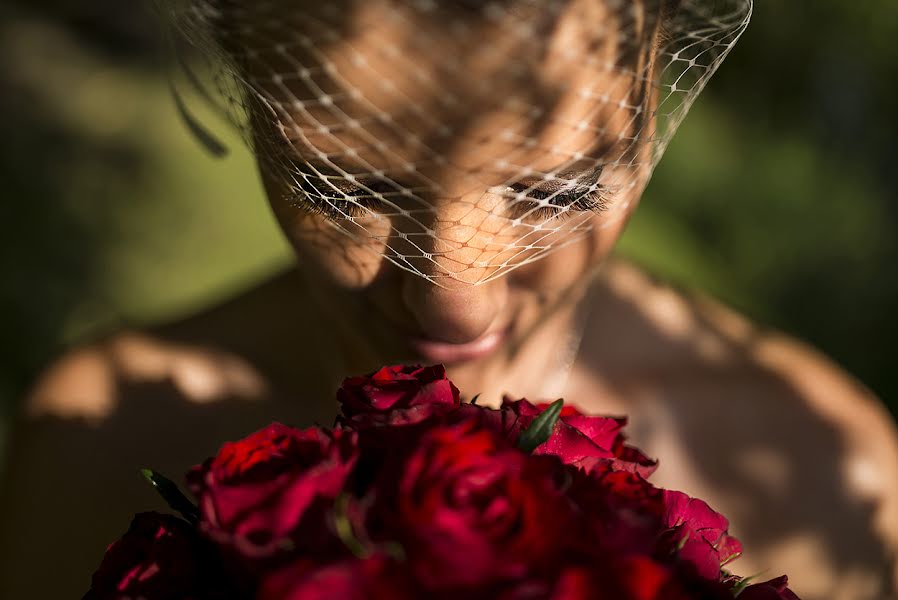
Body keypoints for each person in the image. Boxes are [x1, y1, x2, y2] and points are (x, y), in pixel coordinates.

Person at [2, 1, 897, 598]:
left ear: (654, 96)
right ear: (244, 79)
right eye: (345, 190)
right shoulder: (96, 447)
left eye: (555, 194)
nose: (455, 310)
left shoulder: (833, 483)